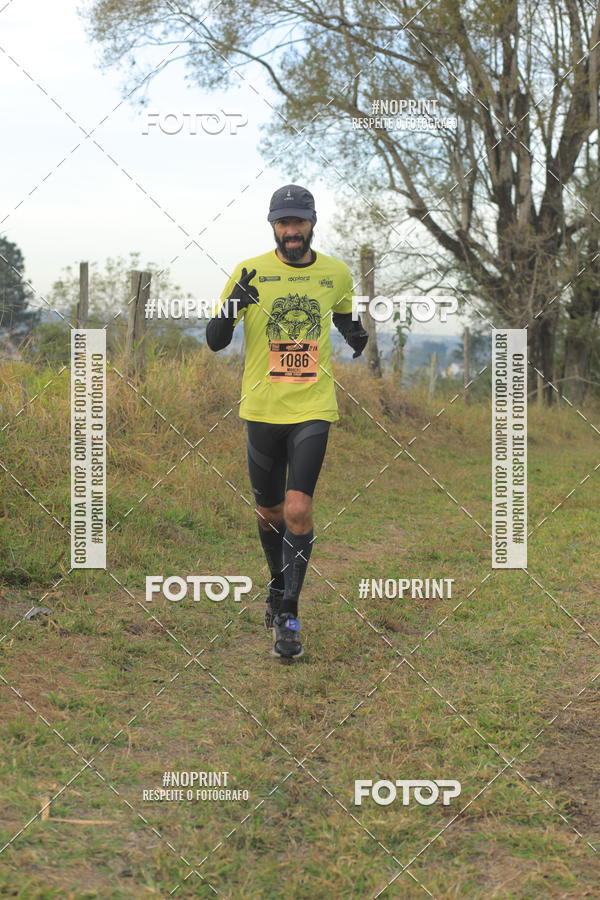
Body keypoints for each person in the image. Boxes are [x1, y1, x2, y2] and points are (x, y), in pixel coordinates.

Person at [206, 184, 368, 659]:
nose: (291, 230)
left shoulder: (336, 272)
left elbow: (342, 315)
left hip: (313, 407)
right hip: (261, 409)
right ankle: (277, 587)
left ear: (312, 222)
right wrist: (235, 302)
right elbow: (216, 340)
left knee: (298, 510)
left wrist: (356, 334)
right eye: (284, 222)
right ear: (273, 225)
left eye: (299, 221)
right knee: (269, 513)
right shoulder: (250, 271)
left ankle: (290, 616)